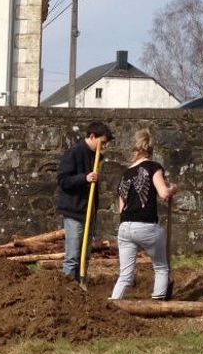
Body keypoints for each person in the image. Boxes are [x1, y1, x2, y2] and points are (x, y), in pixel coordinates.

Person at [108, 129, 176, 301]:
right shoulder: (154, 168)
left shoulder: (126, 174)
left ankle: (113, 306)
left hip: (125, 227)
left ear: (135, 150)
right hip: (146, 225)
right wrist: (173, 189)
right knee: (161, 267)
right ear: (151, 150)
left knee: (125, 275)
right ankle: (158, 303)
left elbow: (121, 207)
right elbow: (164, 193)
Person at [56, 121, 113, 281]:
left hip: (89, 212)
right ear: (92, 136)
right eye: (103, 142)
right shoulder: (73, 153)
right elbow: (63, 180)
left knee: (85, 256)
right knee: (73, 256)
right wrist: (85, 178)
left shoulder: (96, 156)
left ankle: (82, 288)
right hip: (74, 212)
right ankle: (68, 291)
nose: (104, 146)